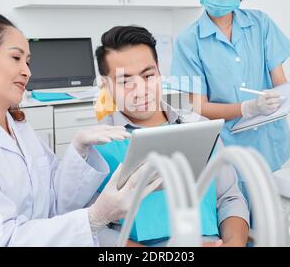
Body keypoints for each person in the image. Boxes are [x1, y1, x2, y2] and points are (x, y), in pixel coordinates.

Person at [0, 12, 161, 246]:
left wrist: (79, 151)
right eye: (16, 58)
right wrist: (94, 218)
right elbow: (0, 239)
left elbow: (53, 204)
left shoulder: (18, 127)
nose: (27, 71)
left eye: (28, 61)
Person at [170, 0, 290, 200]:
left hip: (271, 146)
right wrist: (246, 108)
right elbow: (196, 106)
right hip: (227, 153)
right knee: (239, 225)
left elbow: (280, 82)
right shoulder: (188, 41)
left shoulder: (261, 24)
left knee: (272, 227)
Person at [93, 26, 249, 247]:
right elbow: (92, 228)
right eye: (125, 81)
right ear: (106, 86)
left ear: (159, 72)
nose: (141, 91)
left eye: (148, 76)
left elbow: (230, 198)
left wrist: (233, 244)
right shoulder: (98, 145)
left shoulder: (200, 127)